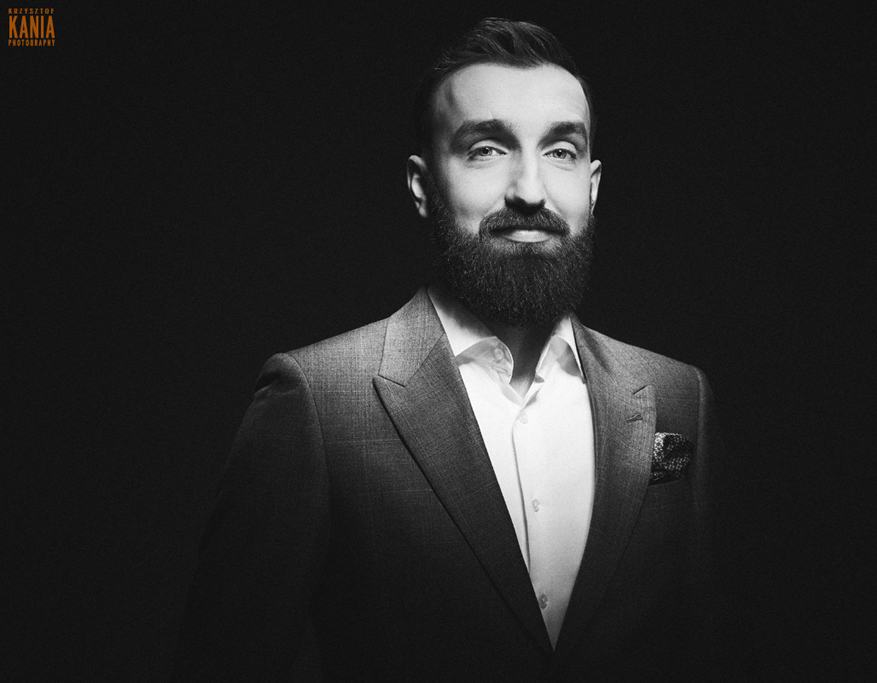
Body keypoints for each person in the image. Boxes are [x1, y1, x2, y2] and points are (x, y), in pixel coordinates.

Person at [173, 18, 741, 682]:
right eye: (487, 149)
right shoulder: (317, 402)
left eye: (560, 150)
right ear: (423, 184)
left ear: (592, 185)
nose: (530, 190)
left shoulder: (678, 396)